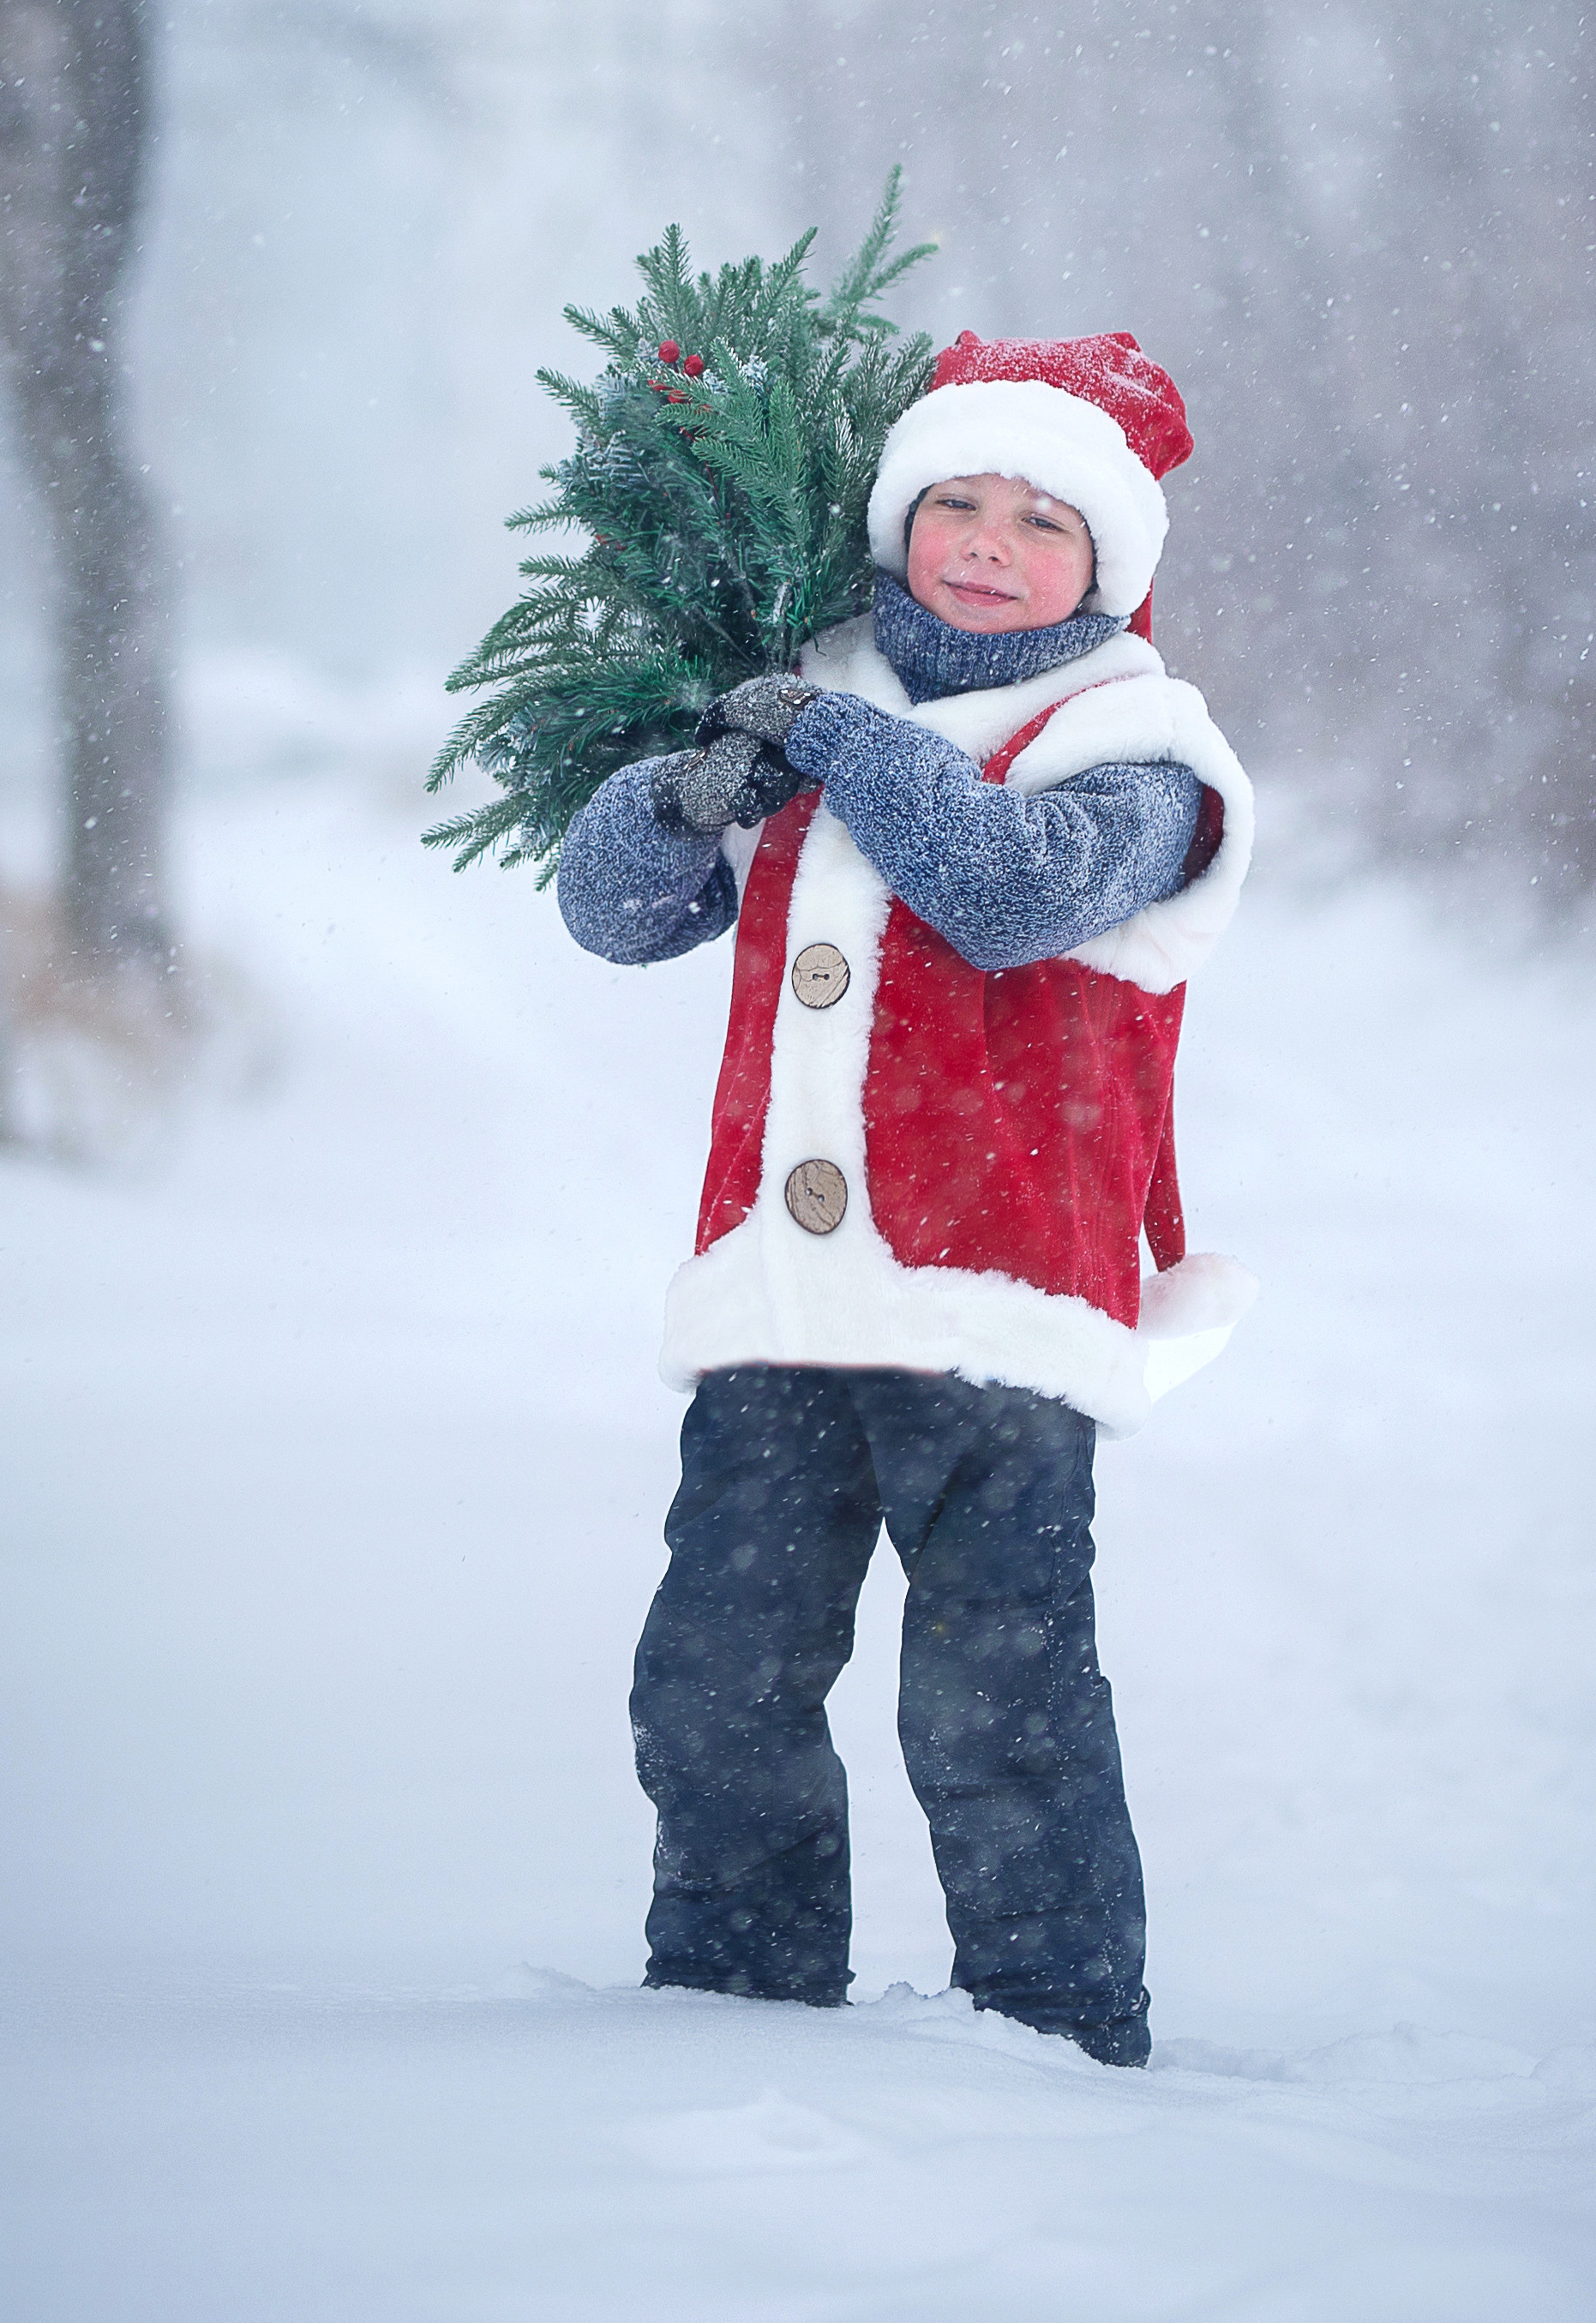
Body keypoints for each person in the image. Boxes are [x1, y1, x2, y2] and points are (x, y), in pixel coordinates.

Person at [555, 328, 1255, 2067]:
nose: (991, 538)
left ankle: (1062, 2026)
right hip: (781, 1307)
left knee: (996, 1696)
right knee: (715, 1675)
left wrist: (836, 742)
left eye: (1043, 518)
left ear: (1108, 565)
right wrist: (678, 795)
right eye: (957, 498)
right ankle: (732, 1999)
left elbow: (1007, 887)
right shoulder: (814, 698)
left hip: (1002, 1313)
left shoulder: (1149, 753)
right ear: (899, 513)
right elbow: (618, 914)